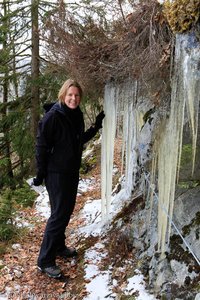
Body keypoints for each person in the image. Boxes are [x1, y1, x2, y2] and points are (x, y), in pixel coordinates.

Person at [33, 79, 105, 279]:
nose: (73, 98)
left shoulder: (75, 115)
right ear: (63, 95)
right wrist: (41, 173)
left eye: (77, 95)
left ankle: (58, 246)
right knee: (59, 215)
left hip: (70, 172)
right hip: (56, 174)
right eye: (70, 95)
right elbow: (41, 146)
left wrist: (95, 127)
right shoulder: (53, 117)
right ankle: (45, 260)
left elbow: (77, 140)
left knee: (63, 212)